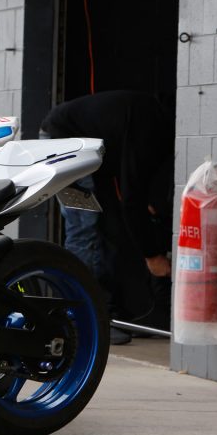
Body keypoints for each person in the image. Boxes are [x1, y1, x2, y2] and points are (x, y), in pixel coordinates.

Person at [40, 90, 174, 343]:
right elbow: (132, 199)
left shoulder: (152, 122)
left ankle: (106, 311)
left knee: (109, 226)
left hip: (92, 150)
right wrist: (153, 256)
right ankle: (84, 319)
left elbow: (134, 189)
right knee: (85, 230)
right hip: (66, 143)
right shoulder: (151, 127)